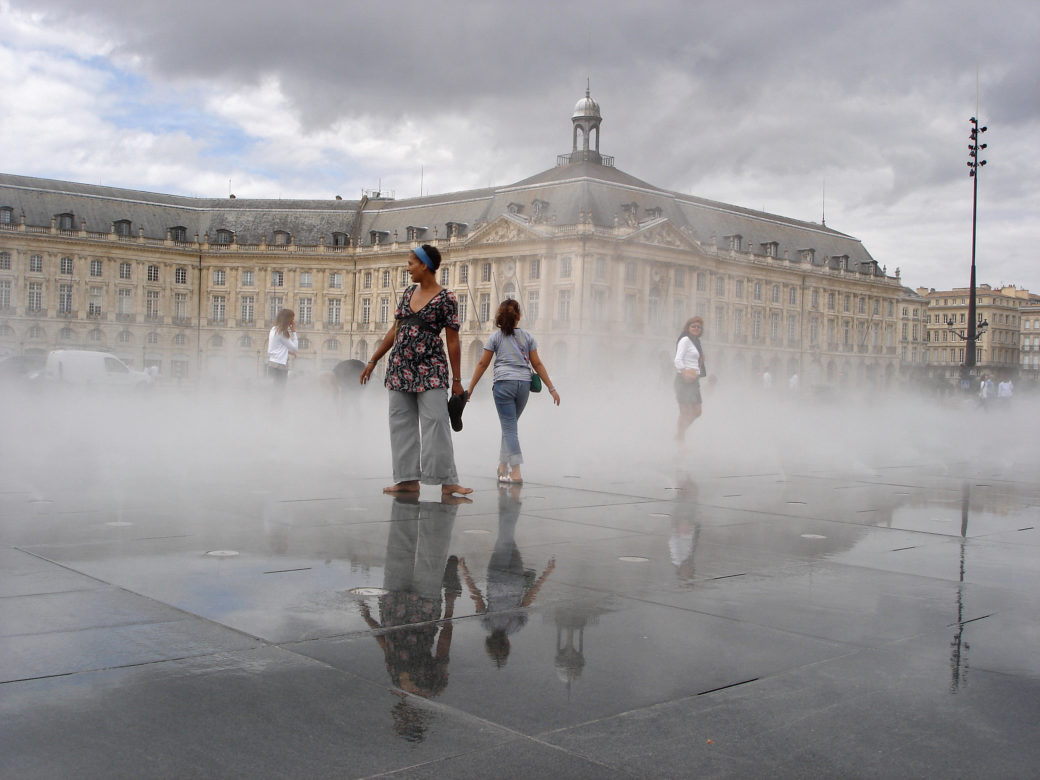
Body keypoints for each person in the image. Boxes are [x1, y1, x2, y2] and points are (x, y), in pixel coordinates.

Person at [360, 245, 471, 496]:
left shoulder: (447, 298)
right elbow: (395, 330)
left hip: (431, 367)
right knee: (401, 423)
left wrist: (456, 380)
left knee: (437, 422)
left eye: (411, 263)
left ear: (424, 265)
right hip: (400, 366)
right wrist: (374, 360)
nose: (407, 267)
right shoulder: (408, 291)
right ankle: (407, 480)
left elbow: (453, 340)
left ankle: (447, 480)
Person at [466, 298, 560, 483]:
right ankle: (502, 465)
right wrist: (551, 388)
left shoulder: (495, 337)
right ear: (519, 316)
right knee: (510, 426)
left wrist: (470, 388)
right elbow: (537, 364)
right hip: (523, 385)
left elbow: (483, 363)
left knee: (509, 428)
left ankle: (515, 471)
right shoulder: (527, 337)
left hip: (503, 384)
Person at [674, 316, 706, 449]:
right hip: (684, 380)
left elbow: (694, 360)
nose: (696, 329)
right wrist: (684, 372)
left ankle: (680, 434)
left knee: (697, 411)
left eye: (698, 327)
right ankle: (681, 442)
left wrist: (701, 361)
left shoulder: (696, 342)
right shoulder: (685, 340)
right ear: (688, 328)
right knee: (685, 411)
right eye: (693, 326)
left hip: (694, 381)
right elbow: (677, 359)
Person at [267, 308, 298, 391]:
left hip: (272, 364)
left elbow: (276, 348)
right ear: (288, 320)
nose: (293, 322)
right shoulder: (282, 333)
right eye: (292, 320)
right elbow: (295, 348)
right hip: (280, 367)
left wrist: (289, 352)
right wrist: (294, 332)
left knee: (273, 392)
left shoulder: (273, 329)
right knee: (279, 393)